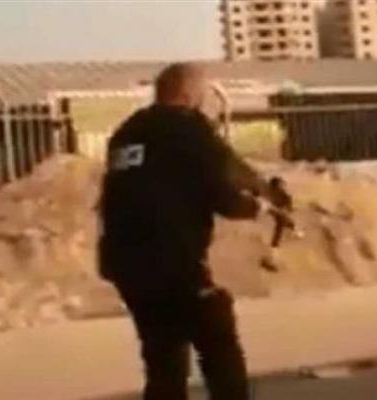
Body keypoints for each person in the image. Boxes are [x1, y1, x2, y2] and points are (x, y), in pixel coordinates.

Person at [98, 63, 285, 400]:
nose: (205, 101)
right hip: (175, 263)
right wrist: (261, 204)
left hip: (127, 266)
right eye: (202, 93)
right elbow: (225, 186)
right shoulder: (189, 128)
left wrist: (259, 187)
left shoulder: (126, 133)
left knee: (163, 360)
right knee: (219, 346)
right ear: (187, 94)